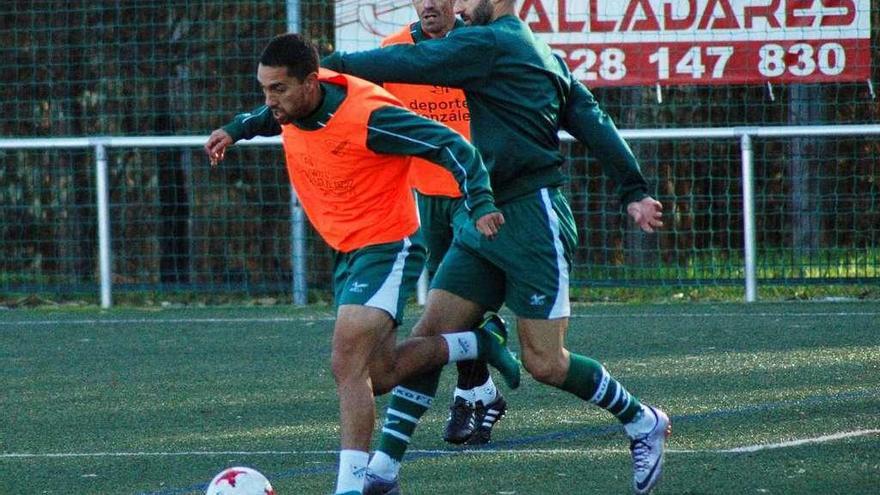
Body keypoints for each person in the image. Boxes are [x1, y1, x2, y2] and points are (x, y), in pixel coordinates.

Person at [322, 0, 670, 493]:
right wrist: (633, 188)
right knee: (428, 336)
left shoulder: (494, 42)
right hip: (484, 215)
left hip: (532, 218)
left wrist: (333, 65)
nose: (458, 6)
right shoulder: (532, 47)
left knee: (545, 362)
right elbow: (590, 115)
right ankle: (383, 471)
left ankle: (641, 420)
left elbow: (414, 62)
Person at [203, 33, 521, 495]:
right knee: (381, 373)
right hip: (348, 251)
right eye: (264, 88)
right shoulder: (291, 105)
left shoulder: (369, 117)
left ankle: (352, 487)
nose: (269, 100)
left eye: (279, 89)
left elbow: (453, 146)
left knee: (344, 359)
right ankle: (478, 344)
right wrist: (235, 129)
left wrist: (480, 200)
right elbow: (270, 118)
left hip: (389, 245)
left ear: (312, 82)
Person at [380, 0, 507, 446]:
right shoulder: (393, 51)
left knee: (452, 302)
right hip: (426, 196)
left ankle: (468, 393)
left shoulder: (479, 46)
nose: (430, 2)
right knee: (450, 307)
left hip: (476, 197)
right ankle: (480, 389)